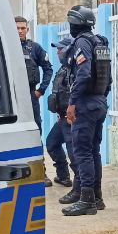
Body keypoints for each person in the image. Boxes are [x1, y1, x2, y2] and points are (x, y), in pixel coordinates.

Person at [59, 5, 111, 216]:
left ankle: (87, 200)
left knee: (82, 152)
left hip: (85, 104)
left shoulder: (82, 42)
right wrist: (101, 98)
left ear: (74, 23)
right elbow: (107, 77)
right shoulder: (100, 42)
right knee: (93, 151)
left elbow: (83, 74)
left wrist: (73, 102)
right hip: (99, 102)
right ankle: (97, 198)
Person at [44, 29, 75, 187]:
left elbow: (77, 94)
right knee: (51, 143)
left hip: (71, 119)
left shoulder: (74, 69)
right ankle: (63, 176)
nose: (58, 52)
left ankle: (81, 187)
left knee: (74, 154)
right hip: (62, 117)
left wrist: (72, 114)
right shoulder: (63, 68)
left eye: (60, 49)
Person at [15, 16, 54, 133]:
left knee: (35, 127)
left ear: (27, 29)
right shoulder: (4, 47)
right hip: (11, 95)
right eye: (17, 28)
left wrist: (41, 90)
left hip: (30, 94)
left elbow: (48, 69)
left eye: (23, 28)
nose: (20, 31)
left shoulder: (34, 47)